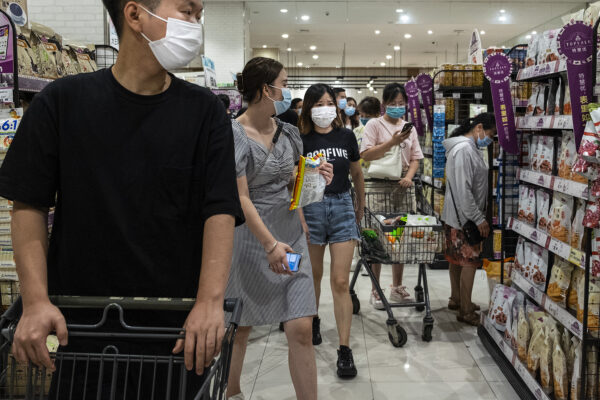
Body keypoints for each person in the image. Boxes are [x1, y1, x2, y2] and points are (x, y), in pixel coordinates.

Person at [0, 0, 245, 397]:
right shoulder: (61, 102)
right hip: (81, 329)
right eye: (187, 11)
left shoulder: (206, 112)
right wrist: (35, 301)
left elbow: (218, 209)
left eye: (199, 16)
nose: (196, 25)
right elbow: (28, 203)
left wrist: (209, 302)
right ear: (135, 15)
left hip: (177, 329)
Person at [225, 57, 333, 400]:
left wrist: (314, 177)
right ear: (265, 89)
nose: (287, 91)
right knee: (241, 327)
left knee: (301, 326)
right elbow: (241, 197)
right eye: (283, 84)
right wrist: (270, 245)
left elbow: (290, 182)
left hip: (291, 242)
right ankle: (232, 392)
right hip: (251, 243)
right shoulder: (233, 134)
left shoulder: (287, 132)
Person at [297, 84, 365, 378]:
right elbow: (296, 181)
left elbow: (357, 173)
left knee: (340, 281)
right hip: (311, 207)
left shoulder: (346, 135)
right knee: (313, 275)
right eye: (318, 103)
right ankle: (312, 319)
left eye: (329, 103)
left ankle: (344, 349)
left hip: (341, 207)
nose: (325, 108)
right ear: (309, 108)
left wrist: (359, 206)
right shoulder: (300, 138)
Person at [360, 83, 423, 309]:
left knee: (399, 237)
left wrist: (410, 177)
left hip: (402, 187)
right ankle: (376, 287)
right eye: (393, 104)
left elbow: (415, 157)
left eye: (401, 104)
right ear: (384, 104)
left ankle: (397, 286)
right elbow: (366, 154)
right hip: (378, 185)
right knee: (375, 237)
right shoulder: (374, 125)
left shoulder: (409, 127)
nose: (397, 107)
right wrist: (393, 142)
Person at [442, 113, 496, 327]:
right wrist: (478, 218)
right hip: (465, 218)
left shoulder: (467, 148)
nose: (489, 140)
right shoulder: (464, 149)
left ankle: (457, 299)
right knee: (469, 263)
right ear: (479, 127)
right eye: (490, 135)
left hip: (456, 217)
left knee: (456, 260)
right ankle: (465, 310)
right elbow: (464, 190)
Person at [354, 96, 381, 178]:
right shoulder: (357, 131)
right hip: (361, 175)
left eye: (368, 116)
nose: (364, 118)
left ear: (377, 114)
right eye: (362, 116)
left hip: (380, 175)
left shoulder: (384, 130)